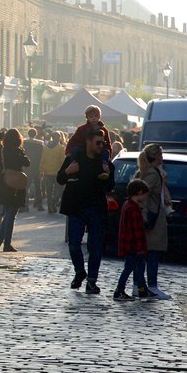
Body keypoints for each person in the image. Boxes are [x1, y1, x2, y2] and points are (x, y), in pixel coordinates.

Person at [56, 127, 115, 294]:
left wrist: (108, 174)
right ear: (88, 142)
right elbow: (60, 179)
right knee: (74, 244)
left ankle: (92, 281)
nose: (101, 146)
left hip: (96, 208)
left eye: (102, 143)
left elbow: (110, 187)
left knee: (95, 247)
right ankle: (80, 272)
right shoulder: (74, 159)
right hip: (76, 207)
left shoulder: (104, 163)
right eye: (97, 143)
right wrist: (68, 171)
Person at [135, 143, 171, 300]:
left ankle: (142, 285)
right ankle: (149, 286)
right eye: (161, 154)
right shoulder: (152, 173)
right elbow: (141, 195)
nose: (162, 157)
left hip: (152, 216)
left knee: (148, 253)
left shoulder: (154, 172)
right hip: (151, 217)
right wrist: (143, 214)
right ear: (156, 156)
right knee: (150, 252)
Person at [114, 179, 154, 301]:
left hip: (129, 244)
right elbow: (136, 231)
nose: (146, 198)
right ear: (140, 192)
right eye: (145, 195)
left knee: (138, 266)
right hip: (133, 245)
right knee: (130, 268)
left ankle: (142, 289)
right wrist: (140, 248)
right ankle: (119, 290)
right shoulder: (133, 209)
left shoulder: (128, 205)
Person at [0, 129, 30, 252]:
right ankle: (6, 243)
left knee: (8, 213)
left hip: (4, 184)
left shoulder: (1, 150)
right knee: (11, 215)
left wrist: (2, 135)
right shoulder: (18, 151)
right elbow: (27, 163)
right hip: (16, 186)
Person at [64, 105, 113, 178]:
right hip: (84, 147)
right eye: (91, 117)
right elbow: (73, 140)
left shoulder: (103, 130)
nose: (93, 118)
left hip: (98, 148)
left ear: (99, 117)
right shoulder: (82, 129)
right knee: (76, 149)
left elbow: (108, 142)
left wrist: (109, 154)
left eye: (95, 116)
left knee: (105, 152)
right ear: (87, 118)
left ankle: (104, 169)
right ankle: (73, 169)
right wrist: (68, 151)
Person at [40, 131, 67, 215]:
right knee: (59, 190)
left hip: (47, 172)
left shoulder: (45, 147)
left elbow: (42, 159)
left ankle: (50, 207)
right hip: (57, 172)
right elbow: (62, 161)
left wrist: (41, 170)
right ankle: (53, 202)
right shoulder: (61, 148)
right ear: (58, 138)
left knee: (49, 190)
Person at [23, 129, 45, 210]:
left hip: (27, 167)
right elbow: (42, 156)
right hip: (37, 167)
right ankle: (39, 205)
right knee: (38, 187)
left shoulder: (24, 143)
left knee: (26, 187)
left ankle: (26, 205)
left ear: (28, 134)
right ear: (35, 134)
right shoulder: (40, 144)